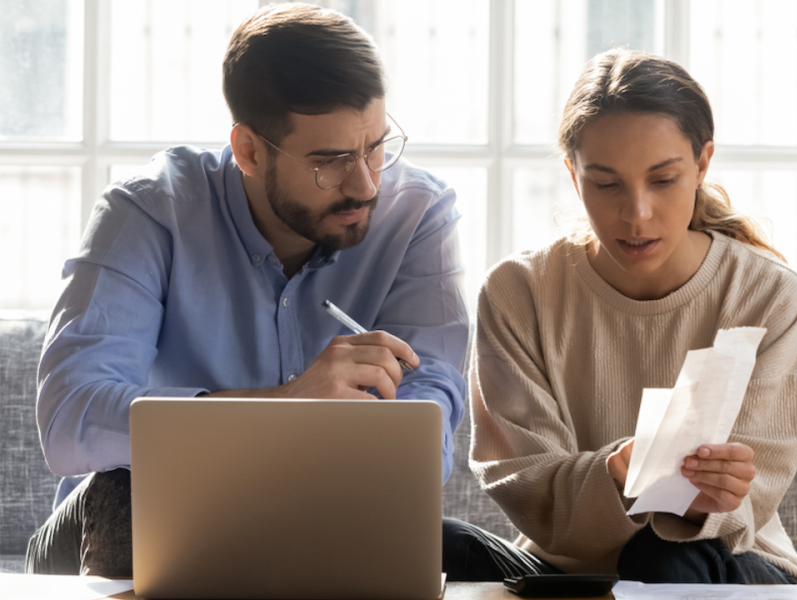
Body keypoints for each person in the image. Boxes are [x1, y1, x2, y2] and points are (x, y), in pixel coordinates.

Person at [27, 3, 467, 576]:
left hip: (318, 508)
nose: (364, 184)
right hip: (123, 516)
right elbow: (70, 418)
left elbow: (430, 407)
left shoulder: (420, 215)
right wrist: (286, 409)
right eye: (330, 161)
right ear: (250, 151)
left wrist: (372, 458)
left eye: (376, 147)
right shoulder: (148, 211)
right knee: (125, 496)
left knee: (466, 551)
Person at [448, 49, 797, 584]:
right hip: (563, 568)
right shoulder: (518, 291)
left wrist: (706, 492)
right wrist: (614, 477)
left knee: (661, 559)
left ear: (702, 164)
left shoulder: (769, 295)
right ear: (573, 176)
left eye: (663, 180)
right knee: (432, 542)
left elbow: (747, 504)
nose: (636, 213)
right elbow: (522, 481)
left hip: (722, 561)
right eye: (606, 183)